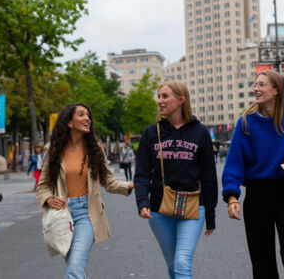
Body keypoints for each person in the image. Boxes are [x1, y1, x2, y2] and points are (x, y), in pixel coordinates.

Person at [222, 70, 284, 279]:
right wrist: (231, 197)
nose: (256, 88)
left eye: (262, 84)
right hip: (257, 196)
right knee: (262, 260)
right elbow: (234, 164)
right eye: (255, 84)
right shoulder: (246, 123)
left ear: (276, 90)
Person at [36, 103, 134, 279]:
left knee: (74, 269)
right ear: (69, 122)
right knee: (74, 268)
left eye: (88, 115)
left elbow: (109, 183)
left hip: (86, 214)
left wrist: (130, 185)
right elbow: (42, 185)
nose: (87, 118)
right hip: (62, 216)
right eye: (81, 114)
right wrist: (49, 200)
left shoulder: (95, 149)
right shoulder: (53, 149)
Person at [134, 81, 218, 279]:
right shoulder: (150, 133)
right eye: (159, 96)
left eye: (165, 96)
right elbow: (142, 173)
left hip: (193, 205)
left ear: (181, 100)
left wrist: (211, 215)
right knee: (173, 263)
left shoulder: (200, 132)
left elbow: (209, 176)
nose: (160, 101)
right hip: (159, 208)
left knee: (182, 261)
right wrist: (142, 202)